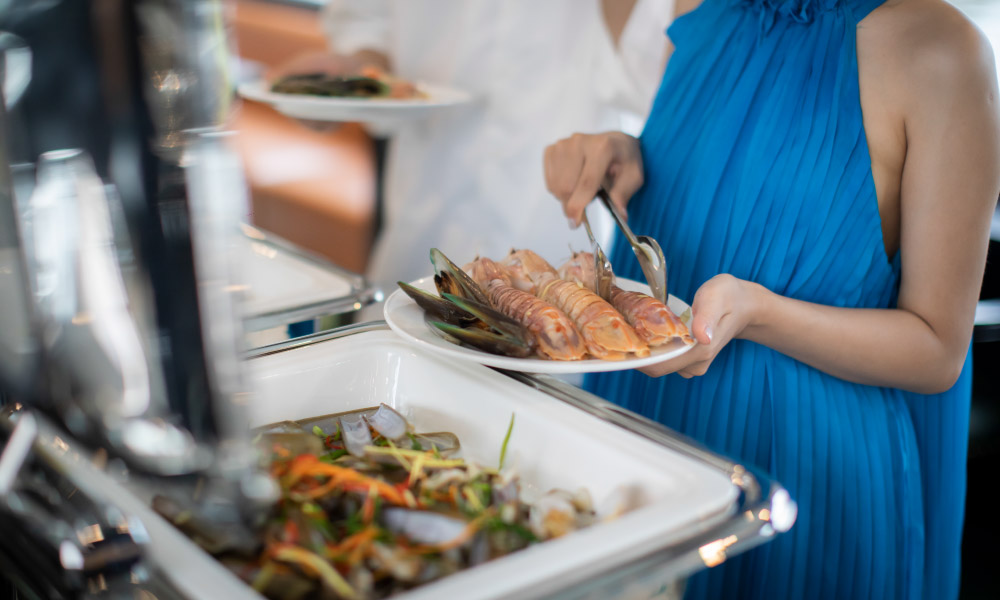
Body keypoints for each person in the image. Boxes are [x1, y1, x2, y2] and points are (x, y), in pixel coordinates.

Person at [543, 0, 1000, 599]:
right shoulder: (698, 5)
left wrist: (763, 314)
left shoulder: (944, 52)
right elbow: (728, 167)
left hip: (805, 465)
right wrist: (627, 152)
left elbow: (937, 348)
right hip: (647, 420)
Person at [308, 0, 672, 307]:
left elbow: (657, 76)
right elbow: (363, 21)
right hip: (422, 222)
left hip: (560, 245)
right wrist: (358, 75)